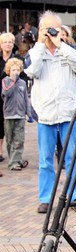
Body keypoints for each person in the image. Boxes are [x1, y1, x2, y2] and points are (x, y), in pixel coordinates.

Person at [24, 11, 76, 213]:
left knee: (72, 158)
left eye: (54, 28)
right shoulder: (35, 52)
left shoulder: (68, 50)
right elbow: (31, 71)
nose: (50, 33)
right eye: (47, 29)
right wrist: (41, 44)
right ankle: (46, 198)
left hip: (68, 113)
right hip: (46, 115)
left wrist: (61, 44)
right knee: (45, 160)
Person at [1, 57, 30, 170]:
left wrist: (29, 113)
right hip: (9, 115)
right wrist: (13, 81)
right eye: (13, 70)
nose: (15, 72)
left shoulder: (22, 83)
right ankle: (15, 159)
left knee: (19, 139)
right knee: (10, 139)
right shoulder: (5, 81)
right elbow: (6, 93)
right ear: (9, 71)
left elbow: (25, 99)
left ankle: (15, 162)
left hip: (20, 115)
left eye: (17, 70)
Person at [0, 32, 21, 163]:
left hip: (12, 97)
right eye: (5, 42)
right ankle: (0, 151)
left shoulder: (17, 59)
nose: (7, 44)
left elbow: (22, 78)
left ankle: (14, 154)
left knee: (13, 126)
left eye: (10, 42)